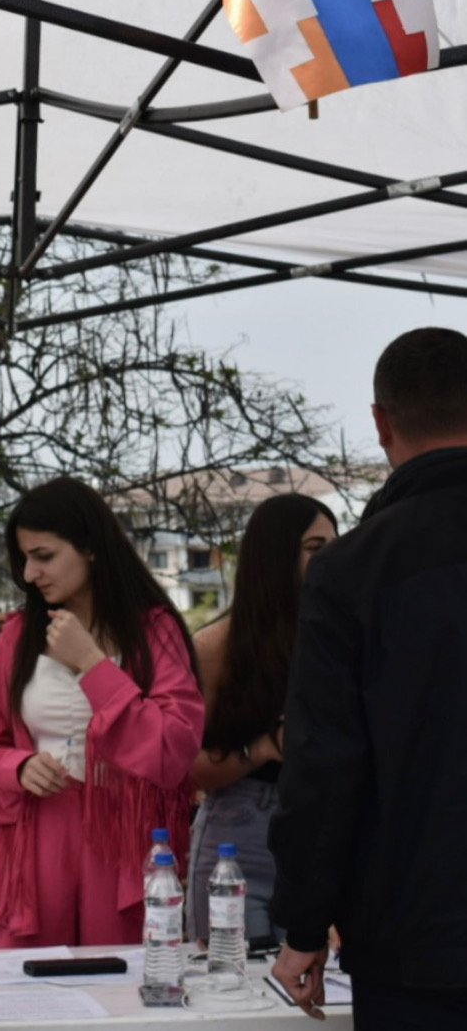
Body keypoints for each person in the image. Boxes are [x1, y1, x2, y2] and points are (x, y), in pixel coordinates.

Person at [270, 327, 467, 1028]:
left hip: (415, 940)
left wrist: (301, 926)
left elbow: (324, 765)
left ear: (381, 423)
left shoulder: (353, 569)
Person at [0, 476, 204, 948]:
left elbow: (174, 748)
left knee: (122, 997)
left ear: (91, 548)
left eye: (44, 556)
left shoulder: (156, 631)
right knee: (27, 999)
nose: (30, 573)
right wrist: (19, 766)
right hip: (35, 839)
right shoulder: (15, 638)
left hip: (124, 845)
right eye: (24, 558)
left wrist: (92, 664)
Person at [186, 494, 338, 944]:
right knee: (231, 989)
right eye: (316, 548)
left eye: (336, 546)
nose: (332, 559)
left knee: (319, 995)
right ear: (277, 555)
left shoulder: (343, 637)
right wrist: (265, 745)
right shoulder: (217, 647)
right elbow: (191, 767)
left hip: (321, 833)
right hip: (238, 830)